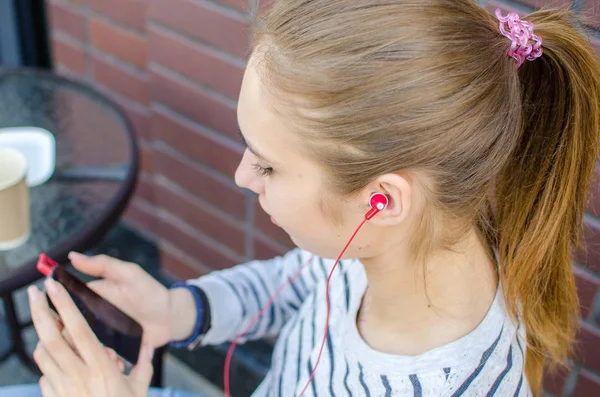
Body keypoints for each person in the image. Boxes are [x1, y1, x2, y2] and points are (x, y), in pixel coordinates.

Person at [5, 0, 600, 395]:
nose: (243, 176)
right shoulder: (411, 244)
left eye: (267, 162)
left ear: (382, 202)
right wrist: (178, 312)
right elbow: (303, 283)